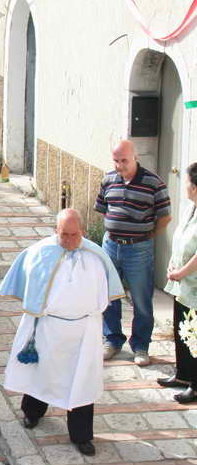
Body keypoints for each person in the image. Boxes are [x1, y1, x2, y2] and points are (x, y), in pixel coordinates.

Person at [0, 210, 125, 458]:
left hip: (83, 331)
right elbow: (30, 290)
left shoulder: (96, 256)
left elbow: (103, 297)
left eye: (74, 235)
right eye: (63, 234)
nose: (68, 240)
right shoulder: (40, 252)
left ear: (83, 232)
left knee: (82, 383)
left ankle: (82, 436)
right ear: (55, 230)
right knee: (41, 373)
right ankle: (32, 413)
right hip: (48, 328)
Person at [95, 139, 172, 366]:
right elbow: (103, 210)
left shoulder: (153, 183)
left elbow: (165, 217)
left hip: (138, 248)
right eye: (116, 160)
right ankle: (112, 340)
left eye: (124, 160)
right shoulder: (108, 179)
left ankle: (140, 346)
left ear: (135, 157)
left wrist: (148, 236)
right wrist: (115, 229)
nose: (120, 165)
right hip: (110, 246)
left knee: (141, 300)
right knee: (109, 296)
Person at [161, 162, 197, 403]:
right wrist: (172, 266)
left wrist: (181, 272)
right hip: (181, 282)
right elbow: (181, 239)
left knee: (194, 334)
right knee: (181, 329)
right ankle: (183, 374)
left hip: (193, 284)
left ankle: (195, 384)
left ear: (194, 187)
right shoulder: (190, 208)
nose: (184, 186)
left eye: (186, 182)